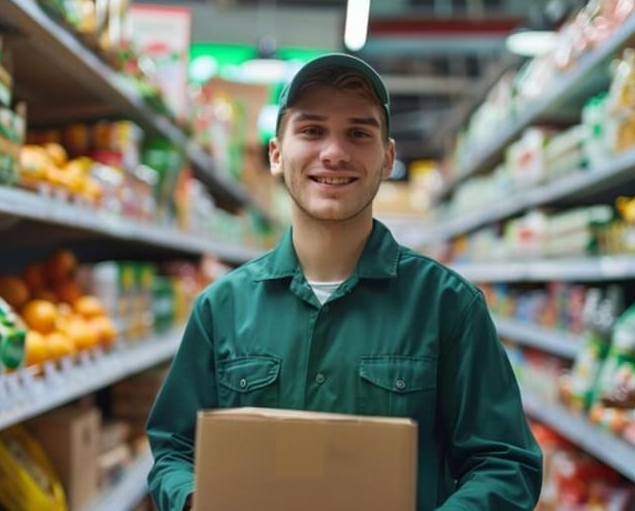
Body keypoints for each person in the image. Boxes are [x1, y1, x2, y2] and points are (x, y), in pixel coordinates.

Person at [146, 53, 542, 511]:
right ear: (276, 154)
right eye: (312, 130)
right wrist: (196, 498)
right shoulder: (221, 308)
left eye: (358, 133)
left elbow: (505, 463)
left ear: (387, 158)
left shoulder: (448, 306)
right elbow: (173, 450)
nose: (334, 152)